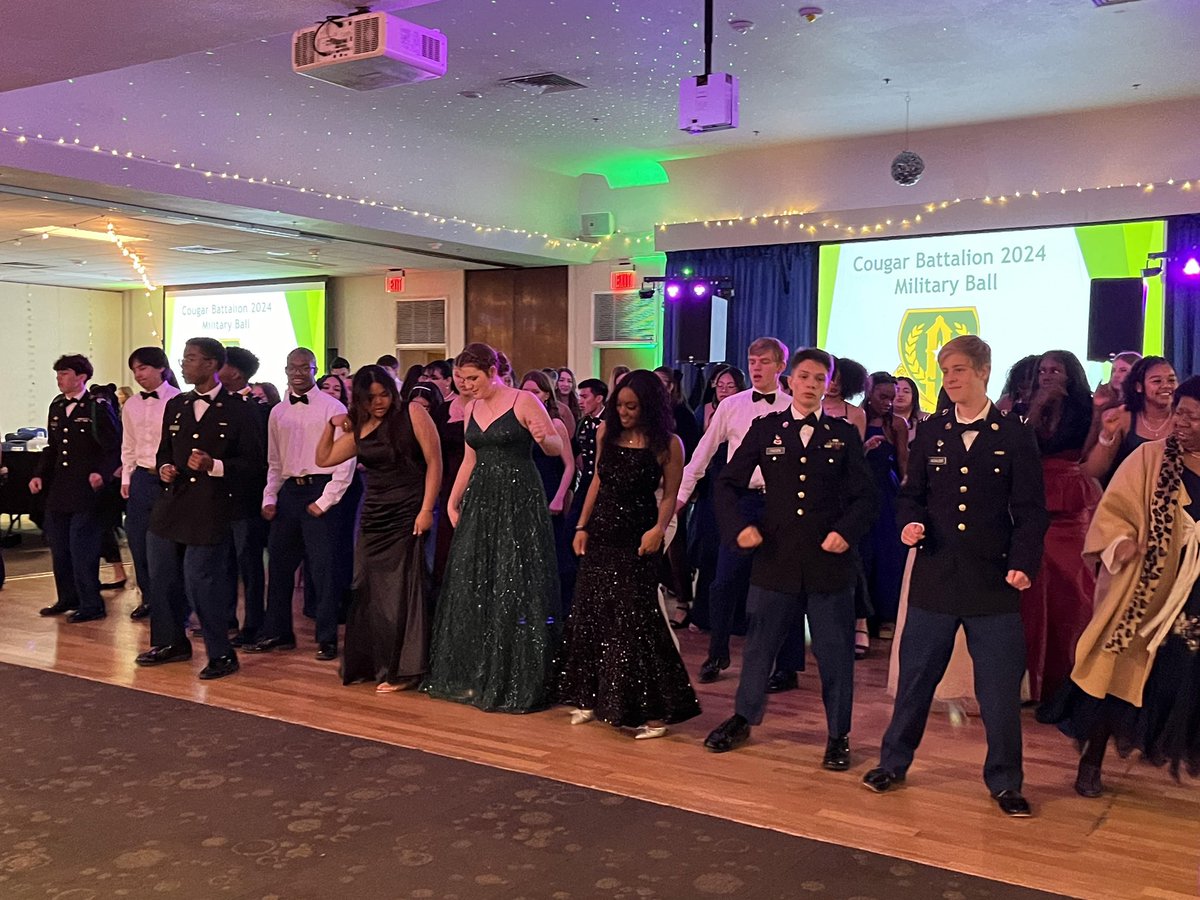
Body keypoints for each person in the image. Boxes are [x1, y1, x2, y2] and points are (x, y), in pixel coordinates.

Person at [863, 335, 1048, 817]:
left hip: (993, 580)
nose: (951, 379)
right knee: (915, 682)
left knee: (999, 691)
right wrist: (910, 524)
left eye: (960, 370)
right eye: (946, 372)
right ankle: (893, 763)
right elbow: (911, 495)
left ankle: (1006, 781)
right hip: (936, 574)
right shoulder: (932, 431)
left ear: (984, 371)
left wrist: (1023, 563)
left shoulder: (1013, 433)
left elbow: (1031, 510)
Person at [704, 349, 877, 768]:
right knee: (760, 646)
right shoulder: (766, 430)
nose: (812, 385)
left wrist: (845, 532)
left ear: (829, 384)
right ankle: (743, 716)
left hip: (827, 559)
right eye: (805, 377)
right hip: (776, 555)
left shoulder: (843, 434)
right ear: (790, 382)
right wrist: (736, 529)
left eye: (821, 378)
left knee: (834, 653)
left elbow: (866, 497)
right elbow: (726, 483)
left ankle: (839, 734)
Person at [1044, 376, 1200, 794]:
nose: (1180, 422)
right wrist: (1121, 542)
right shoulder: (1150, 459)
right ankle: (1091, 762)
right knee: (1117, 671)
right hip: (1146, 592)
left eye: (1191, 416)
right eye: (1179, 412)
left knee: (1182, 676)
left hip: (1195, 595)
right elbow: (1111, 514)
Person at [554, 370, 700, 738]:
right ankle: (589, 697)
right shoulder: (608, 432)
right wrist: (582, 526)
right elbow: (597, 481)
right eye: (619, 405)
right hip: (602, 531)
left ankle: (653, 712)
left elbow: (669, 494)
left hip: (639, 536)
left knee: (636, 621)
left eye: (631, 406)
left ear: (649, 406)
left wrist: (658, 530)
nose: (624, 412)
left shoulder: (669, 443)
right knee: (591, 612)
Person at [422, 342, 563, 712]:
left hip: (518, 497)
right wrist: (452, 500)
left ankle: (518, 673)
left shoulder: (522, 400)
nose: (466, 385)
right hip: (482, 498)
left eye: (472, 378)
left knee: (515, 579)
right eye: (461, 379)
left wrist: (543, 436)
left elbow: (554, 448)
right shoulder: (470, 408)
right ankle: (479, 670)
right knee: (478, 577)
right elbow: (470, 459)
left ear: (493, 371)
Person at [136, 337, 266, 679]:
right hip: (172, 503)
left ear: (211, 364)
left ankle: (221, 654)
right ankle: (171, 642)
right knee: (161, 577)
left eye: (191, 358)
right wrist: (164, 468)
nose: (184, 364)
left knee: (201, 582)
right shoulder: (176, 404)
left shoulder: (241, 410)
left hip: (212, 506)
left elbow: (254, 464)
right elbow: (166, 450)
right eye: (184, 357)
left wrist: (215, 465)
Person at [676, 338, 792, 684]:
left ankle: (785, 666)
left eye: (764, 361)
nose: (756, 367)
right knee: (724, 582)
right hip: (740, 501)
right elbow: (703, 452)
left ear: (780, 367)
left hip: (781, 504)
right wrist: (681, 495)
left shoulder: (793, 406)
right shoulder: (732, 406)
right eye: (752, 361)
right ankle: (717, 654)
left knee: (783, 587)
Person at [317, 365, 441, 690]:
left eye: (384, 394)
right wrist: (331, 425)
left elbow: (434, 462)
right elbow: (325, 458)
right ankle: (374, 663)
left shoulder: (413, 412)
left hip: (408, 510)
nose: (379, 403)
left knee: (400, 591)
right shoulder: (361, 427)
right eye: (370, 398)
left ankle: (403, 670)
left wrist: (427, 509)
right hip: (373, 513)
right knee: (367, 587)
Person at [249, 348, 357, 662]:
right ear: (285, 370)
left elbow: (345, 461)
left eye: (304, 367)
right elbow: (274, 461)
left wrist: (326, 501)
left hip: (321, 490)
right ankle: (278, 633)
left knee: (323, 571)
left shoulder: (333, 407)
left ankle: (327, 639)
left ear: (314, 368)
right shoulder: (277, 412)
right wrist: (270, 497)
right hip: (289, 494)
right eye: (293, 367)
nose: (298, 372)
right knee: (280, 569)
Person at [1021, 350, 1100, 703]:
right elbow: (1024, 449)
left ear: (1071, 374)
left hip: (1069, 499)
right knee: (1035, 596)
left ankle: (1070, 679)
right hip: (1034, 496)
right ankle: (1034, 682)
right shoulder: (1029, 406)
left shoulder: (1087, 406)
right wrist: (1039, 405)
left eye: (1056, 369)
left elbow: (1088, 455)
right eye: (1043, 370)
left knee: (1074, 591)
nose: (1048, 375)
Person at [30, 354, 121, 621]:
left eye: (65, 373)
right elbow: (53, 447)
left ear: (81, 377)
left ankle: (91, 604)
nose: (59, 379)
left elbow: (113, 447)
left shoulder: (97, 406)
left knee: (83, 547)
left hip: (87, 489)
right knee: (59, 546)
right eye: (57, 374)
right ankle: (67, 597)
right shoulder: (57, 405)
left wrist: (101, 473)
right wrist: (39, 475)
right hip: (60, 487)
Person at [120, 347, 181, 620]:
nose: (138, 375)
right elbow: (128, 445)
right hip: (141, 477)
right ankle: (148, 597)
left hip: (170, 479)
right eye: (134, 370)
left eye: (143, 368)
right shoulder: (131, 404)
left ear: (161, 368)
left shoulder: (178, 400)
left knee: (168, 546)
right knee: (137, 542)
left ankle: (174, 602)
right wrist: (126, 477)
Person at [218, 348, 271, 645]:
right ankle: (224, 618)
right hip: (218, 496)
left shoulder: (254, 407)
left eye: (221, 364)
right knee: (222, 560)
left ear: (236, 372)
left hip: (246, 496)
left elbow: (257, 456)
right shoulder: (216, 404)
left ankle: (253, 623)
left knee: (248, 563)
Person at [859, 373, 909, 641]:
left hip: (886, 494)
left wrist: (907, 493)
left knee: (889, 556)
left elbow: (903, 462)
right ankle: (863, 618)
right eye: (883, 397)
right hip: (860, 494)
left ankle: (887, 616)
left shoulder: (898, 424)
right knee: (864, 555)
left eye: (892, 397)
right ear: (869, 393)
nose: (889, 402)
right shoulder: (857, 417)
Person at [1082, 356, 1177, 488]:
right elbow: (1094, 471)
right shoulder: (1123, 418)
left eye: (1171, 380)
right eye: (1157, 381)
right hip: (1127, 498)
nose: (1166, 386)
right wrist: (1107, 434)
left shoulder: (1183, 419)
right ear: (1139, 387)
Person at [822, 357, 867, 439]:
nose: (834, 383)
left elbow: (857, 449)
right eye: (832, 378)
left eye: (840, 380)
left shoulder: (856, 413)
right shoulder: (809, 406)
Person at [893, 375, 928, 445]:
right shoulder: (881, 421)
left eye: (906, 391)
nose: (900, 395)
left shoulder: (926, 419)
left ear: (914, 395)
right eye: (897, 390)